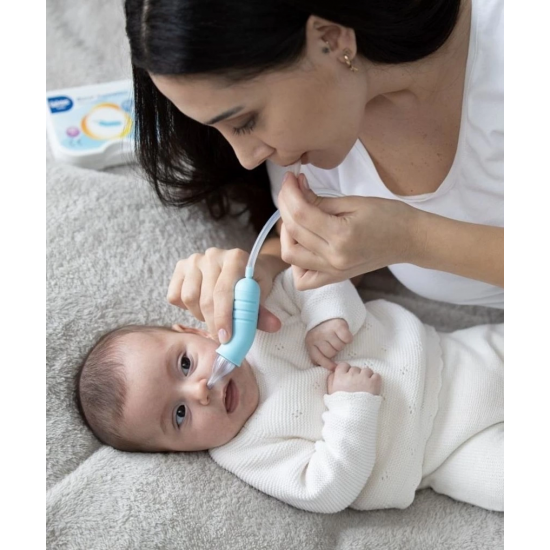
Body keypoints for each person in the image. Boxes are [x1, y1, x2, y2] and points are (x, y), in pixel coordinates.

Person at [124, 0, 504, 346]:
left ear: (330, 38)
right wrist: (261, 269)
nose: (247, 158)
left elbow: (389, 238)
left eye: (245, 121)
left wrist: (413, 238)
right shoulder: (322, 130)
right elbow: (339, 245)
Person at [76, 268, 503, 513]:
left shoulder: (258, 321)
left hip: (449, 360)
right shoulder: (246, 452)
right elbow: (324, 489)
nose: (201, 390)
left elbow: (310, 276)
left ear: (195, 331)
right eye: (180, 415)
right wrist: (351, 408)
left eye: (185, 364)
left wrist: (327, 319)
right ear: (179, 453)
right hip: (440, 455)